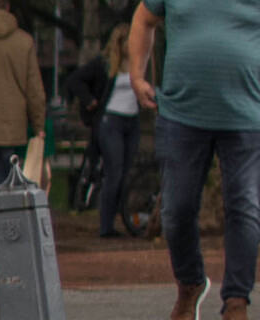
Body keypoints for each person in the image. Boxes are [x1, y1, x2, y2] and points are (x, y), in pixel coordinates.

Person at [131, 0, 260, 317]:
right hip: (181, 115)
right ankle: (190, 285)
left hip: (247, 116)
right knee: (176, 210)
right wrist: (136, 76)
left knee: (244, 206)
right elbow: (143, 19)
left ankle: (236, 300)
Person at [0, 0, 46, 212]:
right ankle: (1, 223)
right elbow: (34, 90)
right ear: (8, 7)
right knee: (2, 179)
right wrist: (39, 125)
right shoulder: (24, 42)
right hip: (9, 125)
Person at [86, 28, 140, 238]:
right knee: (114, 174)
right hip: (111, 123)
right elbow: (76, 79)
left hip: (132, 122)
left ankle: (121, 219)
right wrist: (90, 100)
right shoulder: (107, 64)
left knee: (124, 174)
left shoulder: (140, 63)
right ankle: (105, 225)